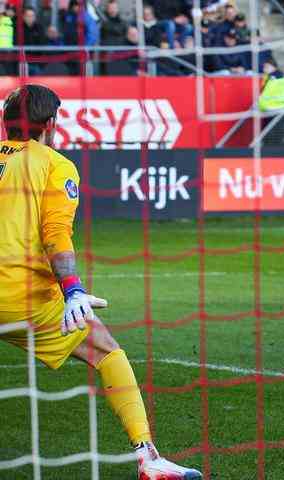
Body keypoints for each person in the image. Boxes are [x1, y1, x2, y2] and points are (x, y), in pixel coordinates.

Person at [0, 85, 201, 480]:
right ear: (51, 124)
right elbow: (55, 233)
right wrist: (72, 289)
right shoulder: (55, 165)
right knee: (108, 352)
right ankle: (149, 458)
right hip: (22, 298)